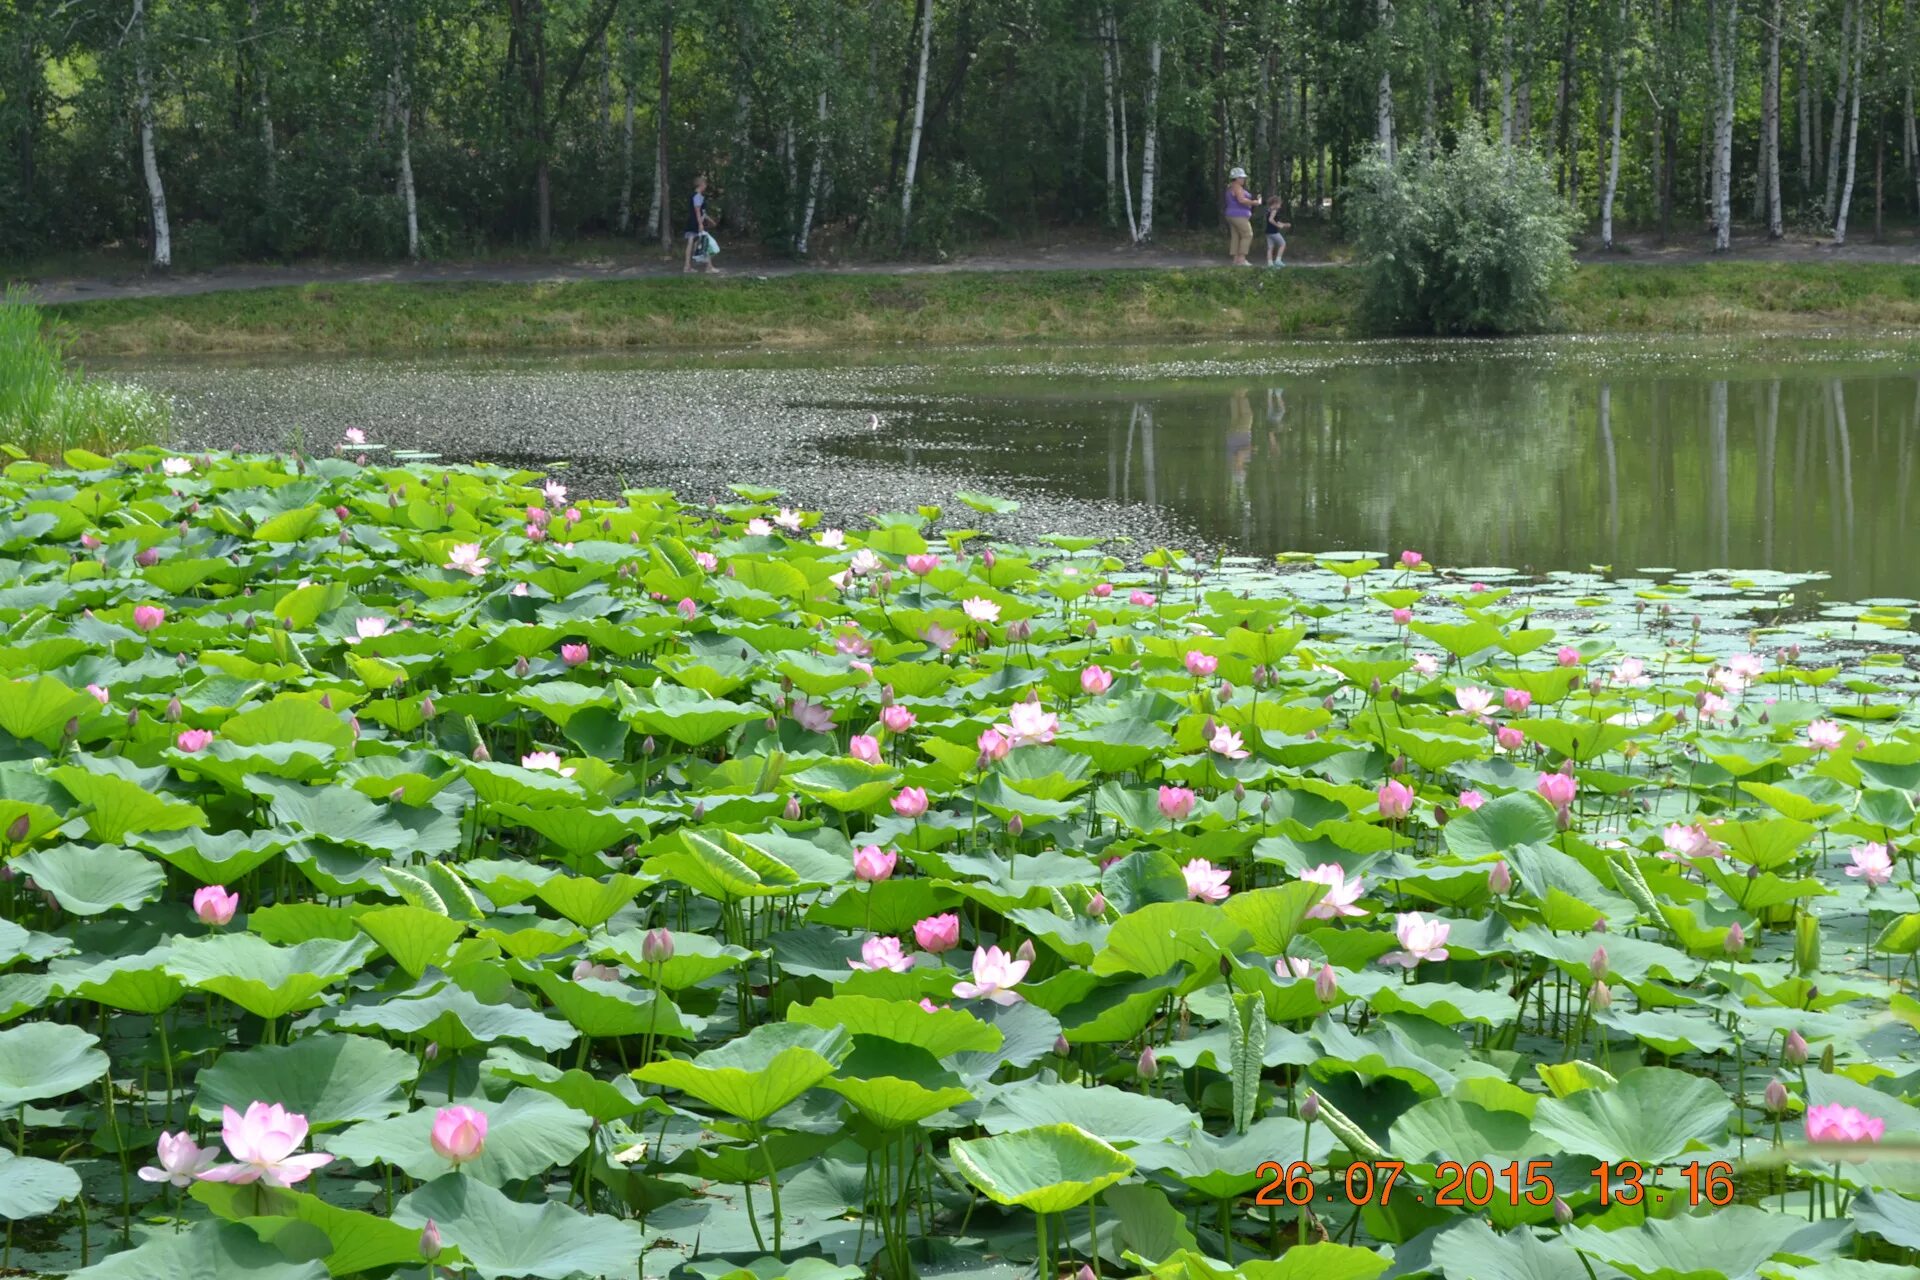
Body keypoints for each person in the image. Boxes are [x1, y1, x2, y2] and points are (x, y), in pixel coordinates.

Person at [1223, 168, 1260, 266]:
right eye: (1242, 177)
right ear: (1236, 178)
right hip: (1238, 215)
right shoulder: (1237, 187)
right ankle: (1242, 258)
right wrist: (1254, 202)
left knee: (1236, 236)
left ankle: (1235, 259)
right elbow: (1241, 200)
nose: (1244, 179)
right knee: (1248, 234)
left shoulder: (1231, 187)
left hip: (1231, 214)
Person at [683, 175, 718, 274]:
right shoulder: (698, 196)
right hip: (697, 223)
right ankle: (709, 267)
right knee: (706, 243)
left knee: (691, 243)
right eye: (705, 184)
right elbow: (698, 211)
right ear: (701, 185)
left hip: (692, 221)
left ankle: (687, 266)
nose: (706, 186)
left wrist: (710, 220)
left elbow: (702, 212)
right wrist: (700, 224)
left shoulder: (694, 196)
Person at [1263, 198, 1291, 267]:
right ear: (1275, 203)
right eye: (1279, 204)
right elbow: (1271, 220)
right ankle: (1278, 260)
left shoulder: (1268, 210)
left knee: (1270, 248)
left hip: (1268, 232)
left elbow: (1276, 221)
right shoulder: (1274, 210)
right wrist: (1277, 226)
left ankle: (1270, 264)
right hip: (1274, 232)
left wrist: (1284, 224)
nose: (1280, 206)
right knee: (1283, 244)